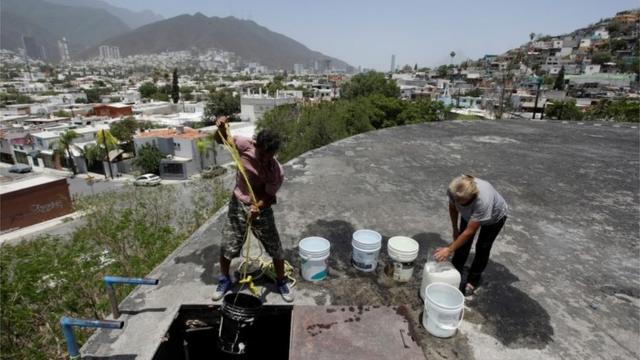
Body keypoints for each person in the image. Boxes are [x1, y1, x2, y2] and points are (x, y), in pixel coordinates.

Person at [212, 116, 294, 302]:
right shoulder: (244, 144)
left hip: (261, 207)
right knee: (228, 244)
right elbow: (220, 139)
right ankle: (225, 279)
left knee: (275, 247)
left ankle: (281, 281)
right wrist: (222, 128)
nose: (265, 160)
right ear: (256, 145)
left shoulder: (276, 171)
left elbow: (269, 195)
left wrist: (259, 206)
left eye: (269, 156)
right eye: (262, 155)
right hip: (239, 201)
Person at [434, 175, 508, 296]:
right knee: (462, 244)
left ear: (471, 198)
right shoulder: (455, 189)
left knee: (482, 247)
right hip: (468, 213)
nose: (456, 202)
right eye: (455, 199)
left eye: (459, 201)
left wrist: (449, 249)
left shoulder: (483, 201)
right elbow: (453, 207)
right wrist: (454, 228)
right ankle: (455, 271)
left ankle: (473, 280)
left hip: (494, 217)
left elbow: (469, 231)